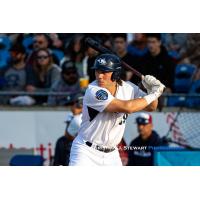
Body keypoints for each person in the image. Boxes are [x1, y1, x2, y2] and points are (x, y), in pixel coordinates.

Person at [69, 53, 165, 166]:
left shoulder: (128, 88)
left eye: (104, 72)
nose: (99, 76)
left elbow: (151, 107)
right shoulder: (94, 91)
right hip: (86, 150)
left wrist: (150, 90)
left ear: (116, 74)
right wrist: (155, 94)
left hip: (112, 154)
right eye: (97, 71)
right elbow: (127, 108)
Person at [53, 95, 83, 166]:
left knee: (65, 143)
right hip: (75, 138)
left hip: (81, 142)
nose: (72, 106)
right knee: (61, 141)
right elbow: (67, 133)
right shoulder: (71, 115)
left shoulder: (80, 117)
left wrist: (76, 114)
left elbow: (68, 135)